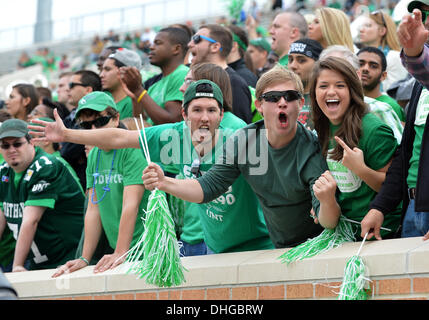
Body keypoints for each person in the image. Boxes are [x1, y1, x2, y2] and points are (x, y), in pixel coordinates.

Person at [31, 81, 273, 256]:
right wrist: (66, 134)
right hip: (215, 248)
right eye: (197, 110)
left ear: (221, 114)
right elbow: (119, 138)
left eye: (211, 110)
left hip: (255, 246)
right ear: (184, 114)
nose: (204, 118)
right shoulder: (174, 136)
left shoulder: (239, 142)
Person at [142, 66, 339, 247]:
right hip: (279, 247)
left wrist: (328, 200)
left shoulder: (312, 148)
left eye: (290, 96)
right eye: (272, 97)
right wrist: (163, 182)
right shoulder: (245, 140)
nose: (282, 102)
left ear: (301, 103)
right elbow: (208, 187)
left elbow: (328, 221)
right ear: (259, 105)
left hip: (319, 247)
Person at [51, 92, 149, 277]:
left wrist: (120, 251)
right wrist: (84, 258)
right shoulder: (94, 154)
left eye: (100, 121)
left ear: (116, 118)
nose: (94, 129)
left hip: (146, 248)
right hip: (122, 251)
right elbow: (94, 209)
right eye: (87, 125)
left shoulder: (131, 149)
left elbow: (131, 205)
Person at [308, 56, 401, 237]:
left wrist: (361, 169)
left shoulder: (374, 130)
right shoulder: (321, 128)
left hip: (382, 233)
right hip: (345, 234)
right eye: (324, 86)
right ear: (314, 92)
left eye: (340, 85)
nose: (331, 92)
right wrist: (323, 201)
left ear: (352, 90)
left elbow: (392, 187)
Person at [362, 4, 429, 240]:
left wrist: (414, 54)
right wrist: (380, 207)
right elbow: (406, 154)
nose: (424, 21)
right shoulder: (420, 85)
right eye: (422, 14)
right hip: (413, 207)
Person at [0, 119, 85, 271]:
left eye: (17, 144)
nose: (11, 149)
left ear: (31, 142)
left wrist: (17, 265)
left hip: (69, 258)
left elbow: (31, 220)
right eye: (5, 145)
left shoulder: (46, 166)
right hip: (39, 262)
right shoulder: (3, 172)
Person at [320, 45, 404, 145]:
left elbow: (400, 154)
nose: (331, 92)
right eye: (324, 85)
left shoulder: (379, 110)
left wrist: (361, 161)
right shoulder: (318, 110)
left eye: (341, 70)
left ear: (356, 75)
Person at [187, 24, 253, 123]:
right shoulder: (198, 79)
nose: (190, 44)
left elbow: (242, 131)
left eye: (197, 39)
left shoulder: (234, 83)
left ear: (215, 47)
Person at [130, 27, 190, 125]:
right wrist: (135, 96)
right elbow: (140, 125)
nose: (151, 47)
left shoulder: (183, 74)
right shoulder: (154, 86)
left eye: (158, 43)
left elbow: (172, 122)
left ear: (176, 49)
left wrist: (139, 91)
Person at [61, 69, 102, 191]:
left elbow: (65, 152)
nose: (68, 89)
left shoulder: (99, 114)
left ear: (88, 90)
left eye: (72, 85)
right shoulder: (69, 118)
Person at [358, 10, 409, 91]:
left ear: (382, 31)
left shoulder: (394, 57)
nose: (361, 30)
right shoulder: (358, 55)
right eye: (361, 26)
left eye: (368, 25)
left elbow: (397, 94)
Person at [357, 46, 406, 123]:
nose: (365, 69)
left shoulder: (390, 106)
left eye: (373, 66)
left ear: (383, 76)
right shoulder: (347, 101)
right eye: (360, 64)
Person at [288, 38, 323, 129]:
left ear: (318, 63)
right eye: (290, 60)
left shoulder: (324, 98)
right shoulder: (280, 97)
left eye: (301, 60)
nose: (293, 66)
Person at [100, 47, 142, 120]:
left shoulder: (133, 103)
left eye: (107, 69)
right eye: (102, 70)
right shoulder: (103, 98)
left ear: (124, 72)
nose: (101, 75)